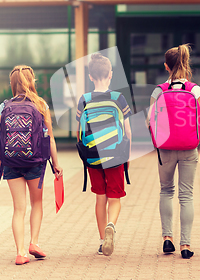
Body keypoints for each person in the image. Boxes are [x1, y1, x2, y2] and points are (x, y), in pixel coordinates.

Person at [0, 65, 63, 265]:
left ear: (12, 84)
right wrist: (56, 163)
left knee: (18, 208)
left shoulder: (3, 106)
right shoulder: (41, 105)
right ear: (32, 82)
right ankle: (34, 242)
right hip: (35, 162)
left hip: (11, 162)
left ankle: (21, 252)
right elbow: (50, 138)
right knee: (37, 203)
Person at [149, 44, 200, 259]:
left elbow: (150, 121)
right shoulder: (195, 90)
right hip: (189, 148)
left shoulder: (158, 91)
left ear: (166, 66)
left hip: (165, 148)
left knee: (166, 191)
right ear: (186, 64)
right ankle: (185, 244)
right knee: (186, 196)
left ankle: (167, 238)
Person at [76, 53, 132, 257]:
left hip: (92, 157)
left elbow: (79, 132)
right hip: (115, 156)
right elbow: (128, 131)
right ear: (110, 75)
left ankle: (102, 242)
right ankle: (111, 225)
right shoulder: (118, 98)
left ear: (90, 76)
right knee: (114, 197)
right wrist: (127, 156)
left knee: (100, 197)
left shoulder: (84, 99)